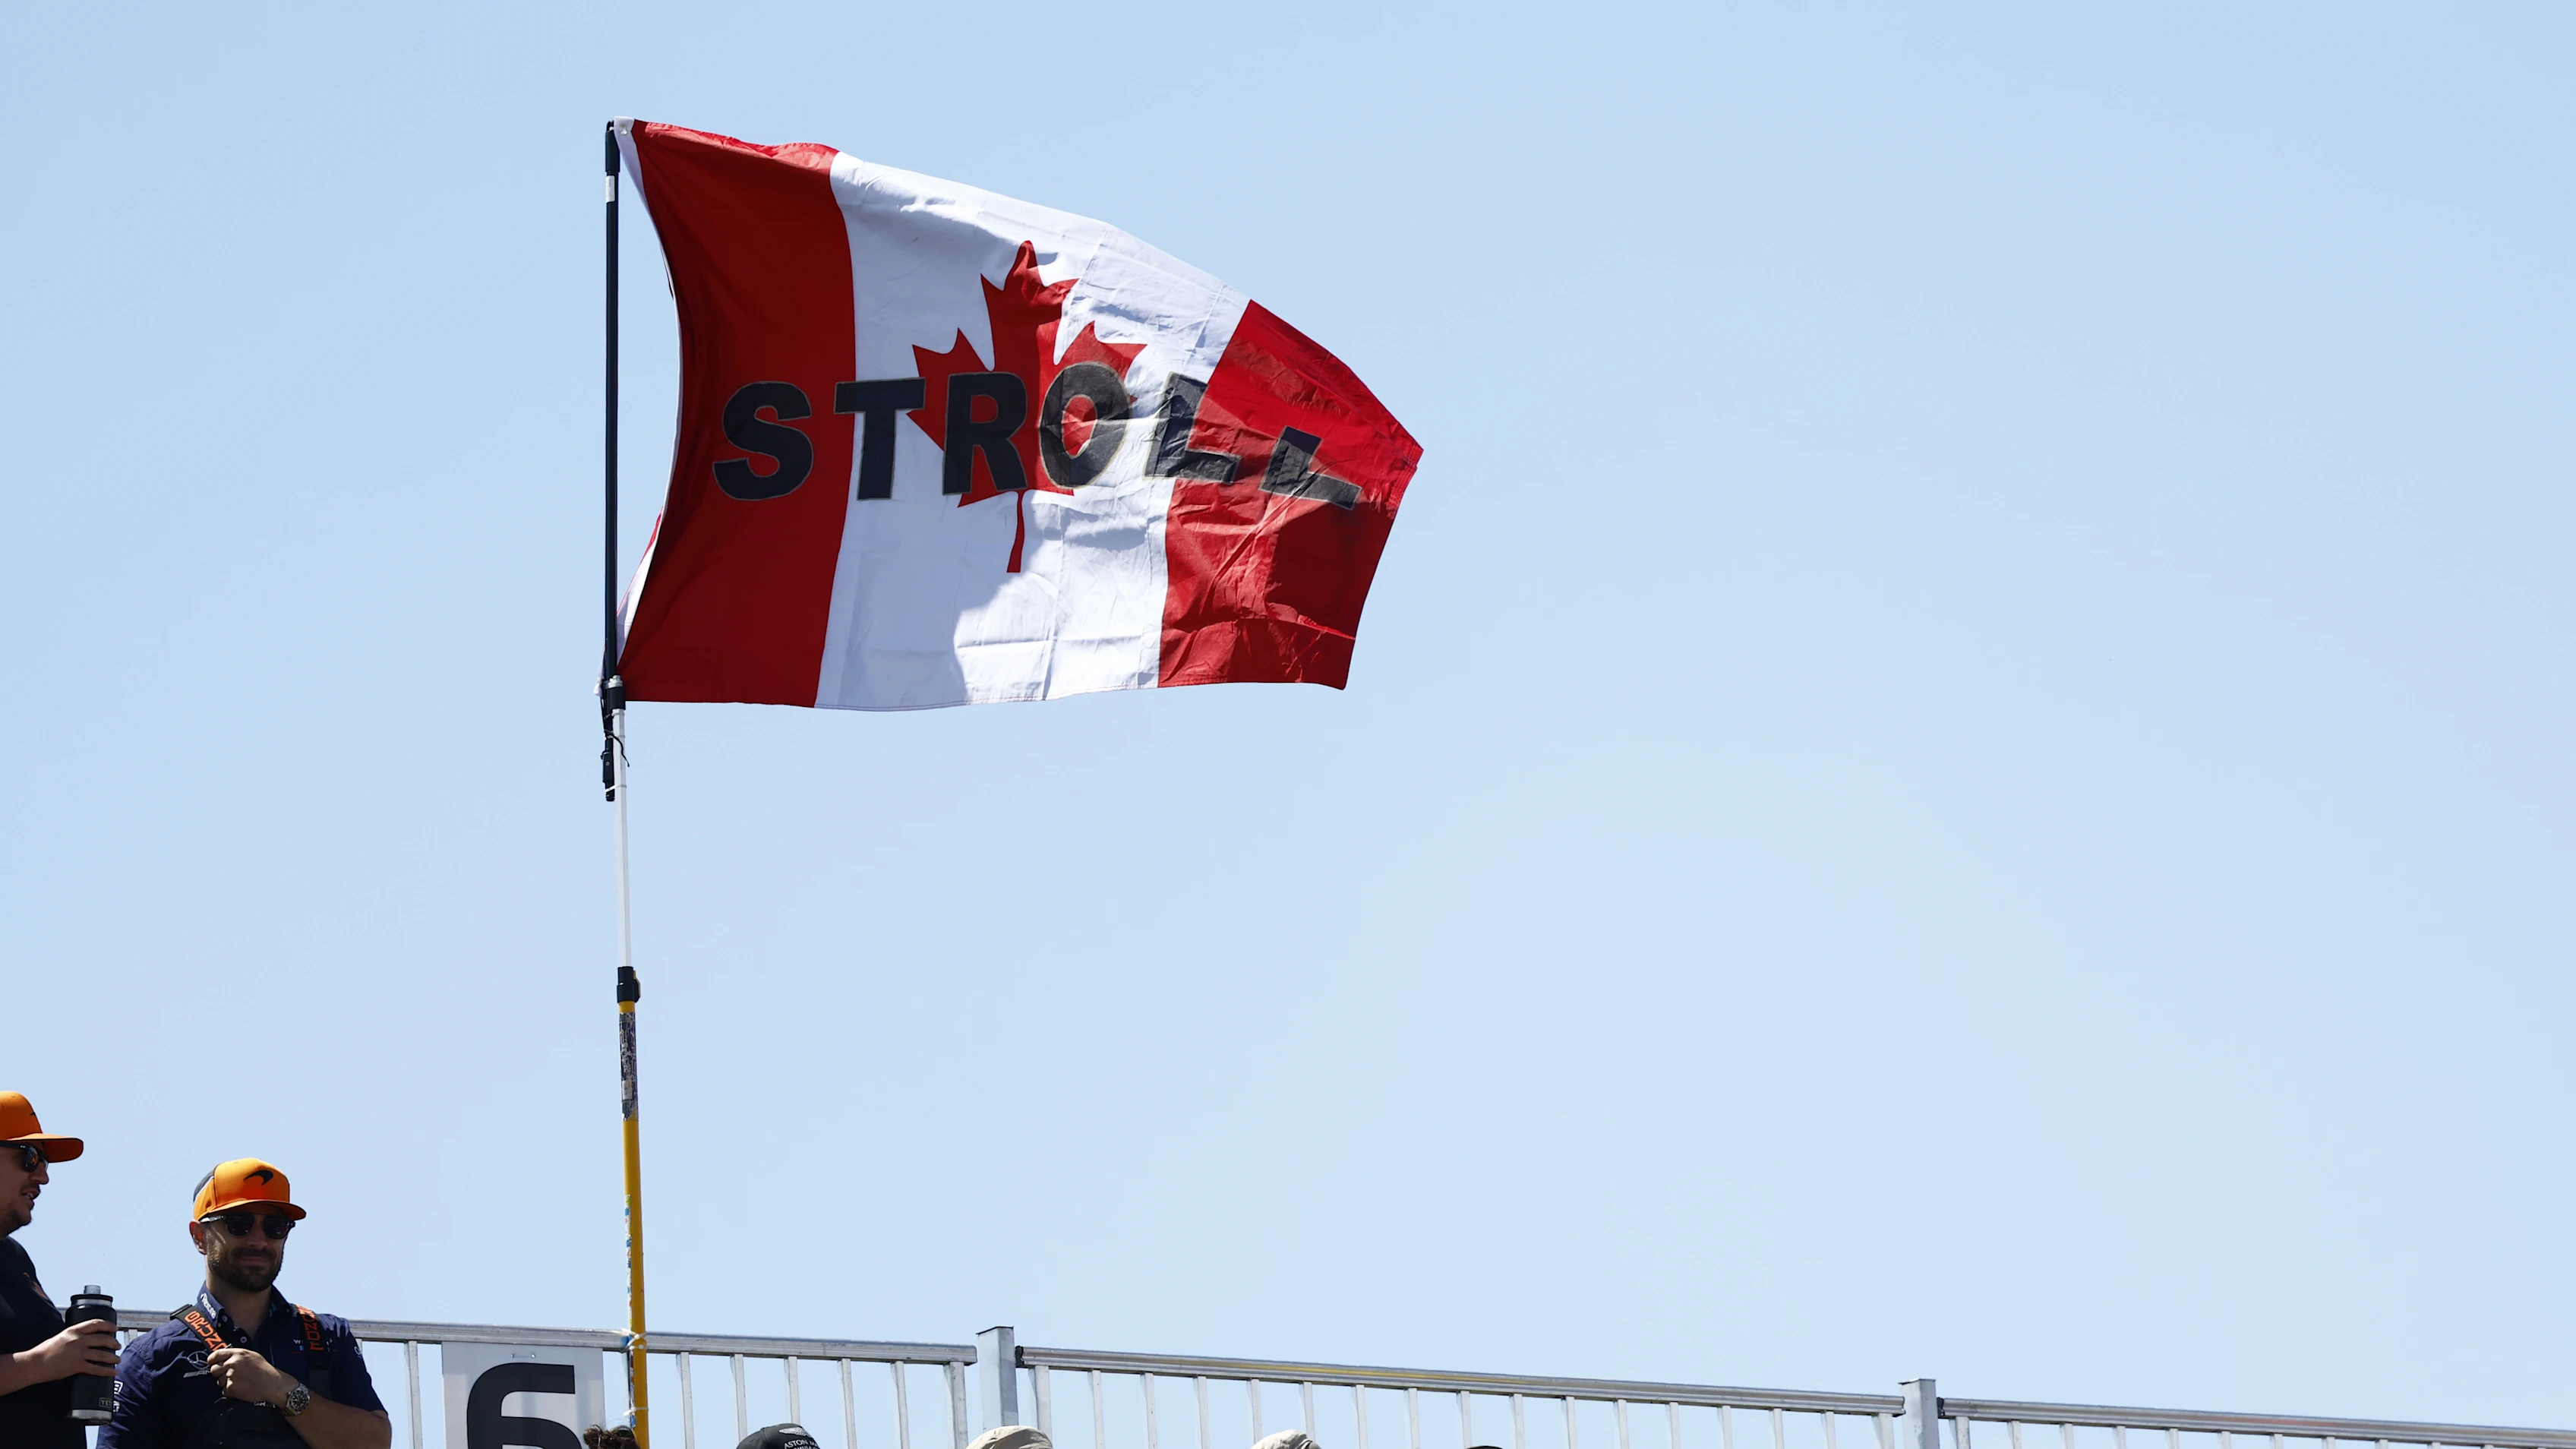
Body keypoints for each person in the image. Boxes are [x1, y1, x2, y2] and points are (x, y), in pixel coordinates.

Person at [99, 1160, 390, 1449]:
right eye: (240, 1224)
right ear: (199, 1236)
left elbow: (377, 1443)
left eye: (275, 1226)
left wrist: (280, 1388)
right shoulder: (152, 1358)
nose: (259, 1240)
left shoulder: (327, 1338)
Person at [0, 1092, 117, 1449]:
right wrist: (43, 1362)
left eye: (44, 1162)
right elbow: (44, 1362)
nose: (43, 1177)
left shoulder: (15, 1257)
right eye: (29, 1157)